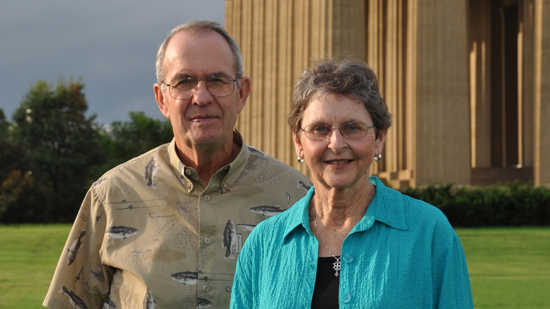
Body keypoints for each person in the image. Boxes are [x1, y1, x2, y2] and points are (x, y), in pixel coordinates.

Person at [43, 20, 311, 309]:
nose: (201, 97)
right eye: (184, 82)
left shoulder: (297, 198)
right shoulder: (111, 195)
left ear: (242, 93)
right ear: (162, 99)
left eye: (217, 80)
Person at [230, 59, 474, 308]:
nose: (336, 144)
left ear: (378, 139)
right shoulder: (263, 244)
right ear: (298, 143)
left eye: (352, 128)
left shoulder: (429, 232)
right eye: (320, 129)